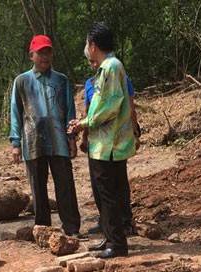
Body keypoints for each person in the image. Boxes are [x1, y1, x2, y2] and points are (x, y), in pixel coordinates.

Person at [69, 23, 136, 259]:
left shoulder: (111, 67)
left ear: (93, 45)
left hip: (109, 145)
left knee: (108, 195)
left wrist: (84, 123)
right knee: (103, 193)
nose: (86, 48)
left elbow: (109, 106)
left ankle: (117, 245)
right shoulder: (107, 68)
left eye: (87, 43)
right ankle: (110, 237)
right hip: (102, 144)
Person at [10, 34, 82, 237]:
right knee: (38, 187)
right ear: (31, 55)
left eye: (48, 52)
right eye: (40, 53)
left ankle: (71, 227)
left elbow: (69, 111)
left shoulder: (61, 80)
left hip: (59, 140)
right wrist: (15, 143)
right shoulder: (22, 81)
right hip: (33, 140)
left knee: (65, 184)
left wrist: (72, 138)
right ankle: (43, 229)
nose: (45, 57)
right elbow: (15, 112)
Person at [82, 44, 141, 236]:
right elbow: (89, 110)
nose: (93, 64)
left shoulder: (116, 74)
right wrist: (84, 136)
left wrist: (135, 132)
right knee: (100, 187)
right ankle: (107, 224)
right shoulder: (91, 83)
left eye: (93, 60)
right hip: (97, 142)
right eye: (90, 62)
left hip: (115, 142)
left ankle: (124, 223)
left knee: (118, 184)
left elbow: (128, 107)